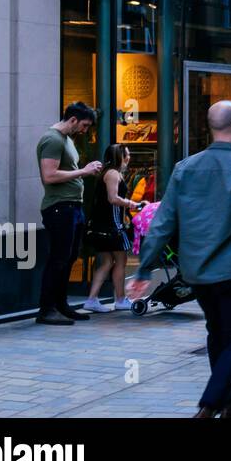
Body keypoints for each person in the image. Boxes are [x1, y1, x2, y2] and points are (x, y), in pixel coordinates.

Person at [128, 100, 231, 418]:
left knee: (217, 333)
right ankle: (209, 404)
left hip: (199, 273)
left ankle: (230, 405)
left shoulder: (185, 169)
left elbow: (163, 222)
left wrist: (143, 269)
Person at [36, 102, 102, 326]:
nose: (85, 130)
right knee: (58, 259)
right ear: (73, 119)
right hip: (59, 207)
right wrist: (84, 171)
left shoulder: (67, 141)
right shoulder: (53, 140)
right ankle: (47, 310)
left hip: (72, 207)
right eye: (84, 125)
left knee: (69, 258)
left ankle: (61, 306)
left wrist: (84, 169)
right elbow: (49, 175)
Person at [82, 143, 144, 313]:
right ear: (120, 156)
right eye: (127, 154)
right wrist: (133, 204)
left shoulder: (107, 172)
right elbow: (113, 198)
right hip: (112, 226)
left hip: (102, 225)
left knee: (108, 262)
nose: (129, 157)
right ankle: (120, 299)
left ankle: (92, 299)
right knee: (121, 261)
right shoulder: (113, 174)